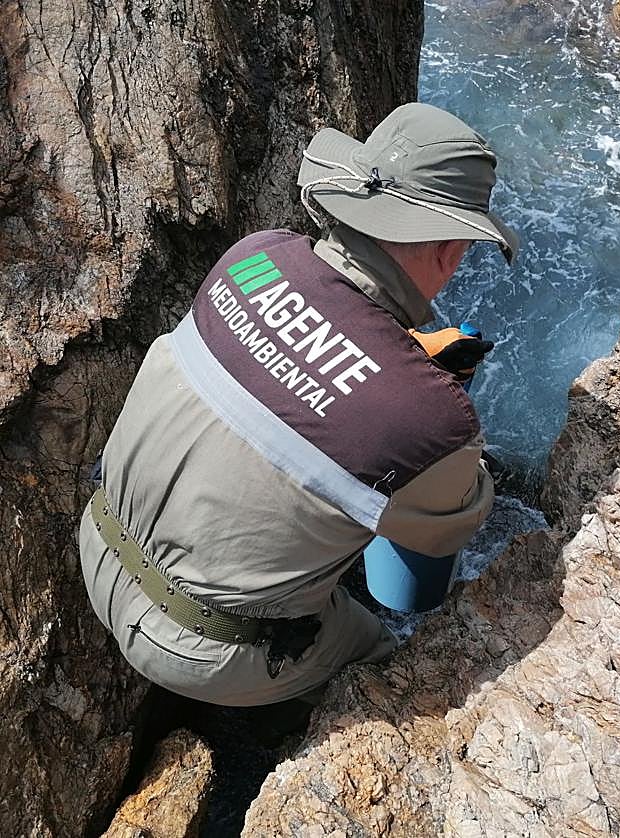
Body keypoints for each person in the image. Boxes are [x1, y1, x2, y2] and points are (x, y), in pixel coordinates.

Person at [79, 101, 518, 707]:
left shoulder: (253, 254)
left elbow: (292, 367)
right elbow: (445, 532)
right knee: (383, 660)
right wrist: (435, 426)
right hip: (200, 652)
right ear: (449, 249)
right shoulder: (430, 420)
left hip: (97, 543)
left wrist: (388, 390)